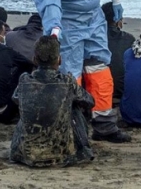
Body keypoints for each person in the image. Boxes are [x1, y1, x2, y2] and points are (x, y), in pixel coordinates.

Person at [33, 0, 130, 143]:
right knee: (70, 74)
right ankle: (71, 123)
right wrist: (54, 28)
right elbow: (50, 0)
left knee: (99, 69)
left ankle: (104, 124)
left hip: (94, 20)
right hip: (67, 23)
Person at [10, 36, 95, 167]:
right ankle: (83, 148)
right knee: (74, 108)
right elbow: (89, 101)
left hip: (26, 154)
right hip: (62, 154)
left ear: (34, 59)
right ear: (59, 60)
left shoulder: (24, 80)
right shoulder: (67, 81)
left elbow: (16, 99)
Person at [101, 2, 135, 103]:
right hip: (122, 91)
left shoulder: (95, 40)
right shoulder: (129, 39)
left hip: (99, 90)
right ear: (118, 21)